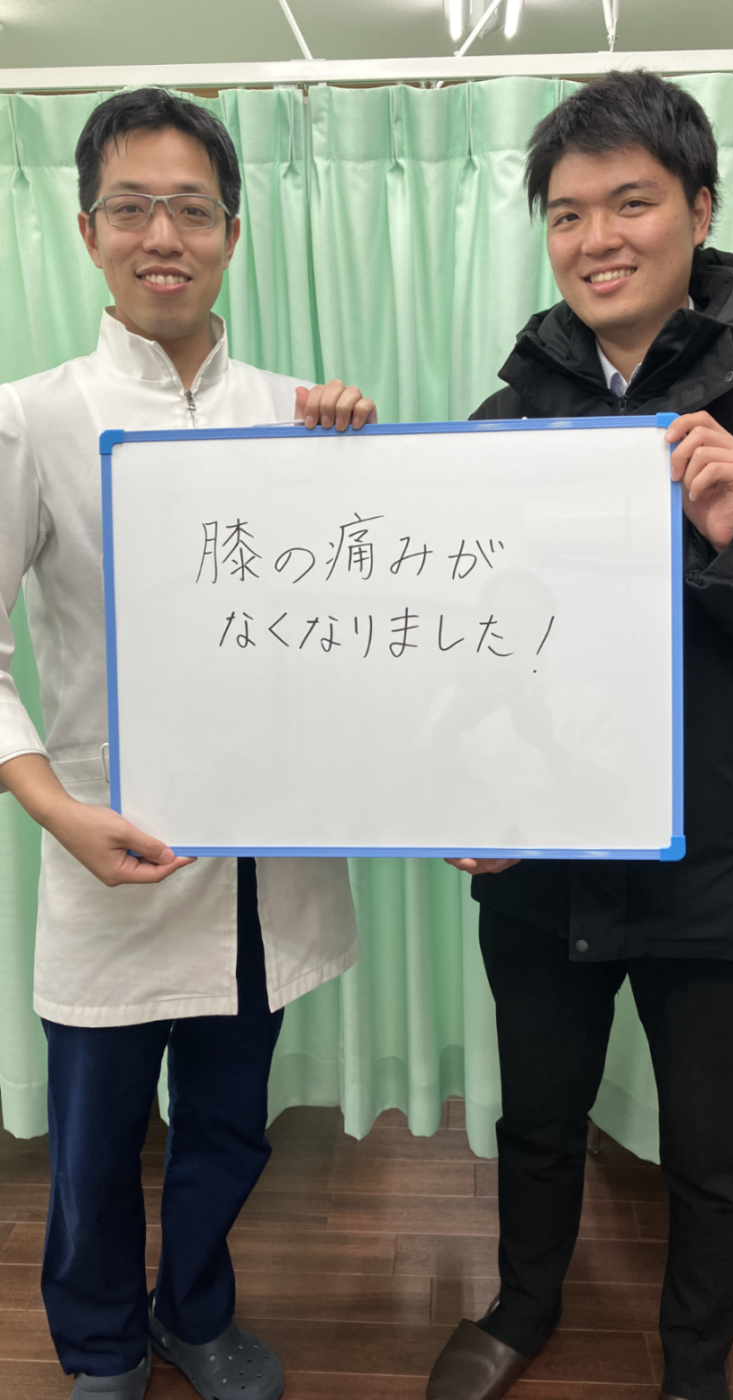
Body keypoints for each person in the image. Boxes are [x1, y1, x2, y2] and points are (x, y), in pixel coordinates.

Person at [0, 88, 377, 1400]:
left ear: (232, 231)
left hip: (265, 860)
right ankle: (101, 1344)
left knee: (227, 1125)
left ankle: (194, 1310)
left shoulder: (301, 411)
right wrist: (56, 810)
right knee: (97, 1142)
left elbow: (365, 625)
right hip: (110, 849)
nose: (163, 234)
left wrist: (362, 465)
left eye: (193, 209)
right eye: (132, 207)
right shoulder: (32, 418)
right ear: (87, 229)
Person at [427, 70, 733, 1400]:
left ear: (702, 206)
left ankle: (695, 1365)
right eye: (567, 213)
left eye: (631, 202)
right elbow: (447, 639)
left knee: (712, 1147)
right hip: (545, 851)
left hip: (721, 847)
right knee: (536, 1114)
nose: (598, 239)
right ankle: (522, 1309)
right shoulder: (507, 417)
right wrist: (455, 786)